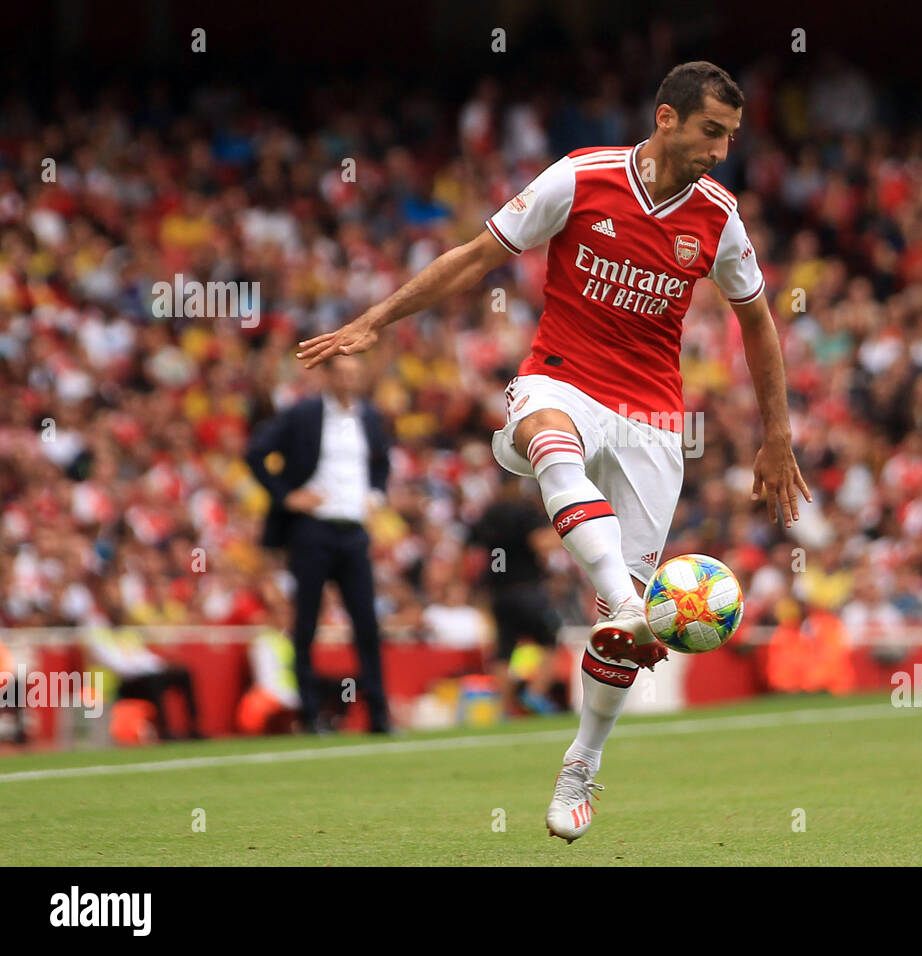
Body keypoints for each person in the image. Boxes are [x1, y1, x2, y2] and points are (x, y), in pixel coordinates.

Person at [296, 61, 811, 841]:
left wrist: (778, 435)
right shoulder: (581, 178)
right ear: (666, 118)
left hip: (652, 419)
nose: (721, 150)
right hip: (561, 377)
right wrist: (378, 320)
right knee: (546, 440)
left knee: (614, 632)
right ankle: (634, 605)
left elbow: (758, 322)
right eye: (712, 131)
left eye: (732, 137)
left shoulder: (718, 217)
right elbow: (475, 256)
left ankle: (583, 764)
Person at [244, 354, 394, 735]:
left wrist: (375, 494)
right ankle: (309, 713)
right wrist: (286, 495)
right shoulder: (304, 414)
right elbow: (256, 451)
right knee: (306, 621)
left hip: (354, 530)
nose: (348, 381)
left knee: (366, 623)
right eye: (341, 373)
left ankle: (378, 713)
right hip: (312, 529)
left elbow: (381, 463)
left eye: (354, 374)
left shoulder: (369, 417)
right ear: (326, 376)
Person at [467, 478, 565, 715]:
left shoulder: (489, 514)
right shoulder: (524, 512)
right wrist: (564, 532)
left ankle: (502, 707)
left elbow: (472, 551)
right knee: (550, 642)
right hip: (527, 589)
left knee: (504, 651)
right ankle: (534, 693)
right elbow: (540, 544)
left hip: (499, 593)